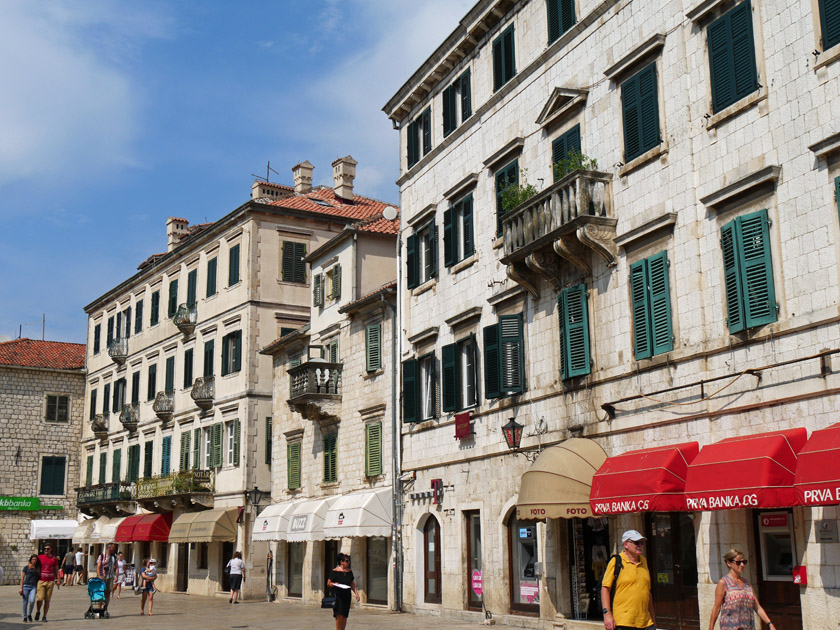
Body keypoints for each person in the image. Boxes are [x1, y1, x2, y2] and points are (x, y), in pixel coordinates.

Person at [601, 530, 656, 630]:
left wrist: (653, 619)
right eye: (636, 543)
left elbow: (647, 592)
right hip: (624, 621)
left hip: (646, 622)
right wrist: (607, 614)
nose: (640, 545)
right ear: (626, 544)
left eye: (641, 542)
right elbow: (605, 589)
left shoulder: (644, 561)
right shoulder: (616, 561)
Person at [708, 548, 775, 630]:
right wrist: (710, 628)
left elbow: (757, 606)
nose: (742, 565)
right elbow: (716, 608)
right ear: (729, 563)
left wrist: (770, 623)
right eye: (738, 562)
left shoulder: (747, 583)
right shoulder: (723, 583)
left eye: (744, 562)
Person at [327, 553, 360, 630]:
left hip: (347, 595)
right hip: (338, 595)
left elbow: (352, 583)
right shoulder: (335, 571)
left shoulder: (349, 572)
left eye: (349, 561)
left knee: (345, 614)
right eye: (347, 561)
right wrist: (335, 584)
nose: (348, 562)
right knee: (339, 614)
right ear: (341, 562)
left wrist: (356, 594)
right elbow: (328, 583)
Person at [34, 543, 60, 622]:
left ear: (51, 549)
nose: (46, 550)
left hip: (50, 581)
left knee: (47, 600)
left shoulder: (54, 559)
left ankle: (44, 616)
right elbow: (35, 566)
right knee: (40, 599)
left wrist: (58, 579)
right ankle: (38, 611)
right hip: (41, 580)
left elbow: (56, 569)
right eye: (45, 549)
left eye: (48, 549)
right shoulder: (40, 557)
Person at [20, 554, 40, 623]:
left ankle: (29, 614)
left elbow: (38, 579)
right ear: (30, 560)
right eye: (33, 559)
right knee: (25, 602)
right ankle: (25, 616)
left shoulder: (37, 569)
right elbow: (22, 578)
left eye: (35, 560)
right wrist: (21, 588)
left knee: (32, 600)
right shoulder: (26, 567)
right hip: (26, 586)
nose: (34, 561)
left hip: (33, 586)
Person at [97, 542, 118, 608]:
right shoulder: (102, 556)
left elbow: (116, 567)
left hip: (110, 576)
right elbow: (98, 566)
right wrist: (99, 575)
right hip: (103, 576)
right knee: (101, 592)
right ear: (109, 548)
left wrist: (116, 576)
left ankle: (105, 608)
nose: (114, 549)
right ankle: (99, 608)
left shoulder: (114, 556)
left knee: (108, 593)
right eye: (113, 548)